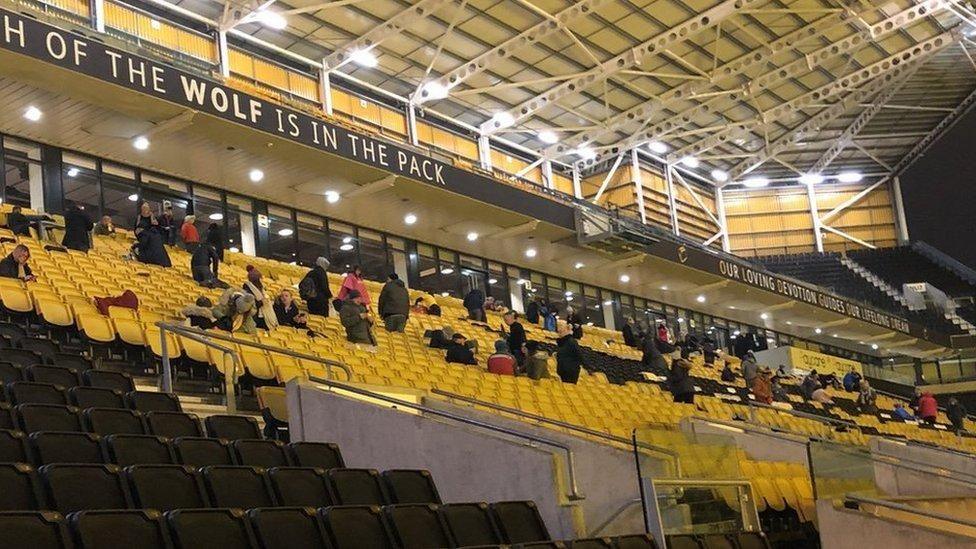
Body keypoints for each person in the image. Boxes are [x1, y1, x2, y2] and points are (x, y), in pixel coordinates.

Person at [243, 265, 277, 331]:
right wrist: (262, 302)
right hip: (254, 315)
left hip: (263, 315)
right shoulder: (247, 287)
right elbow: (252, 302)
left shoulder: (261, 288)